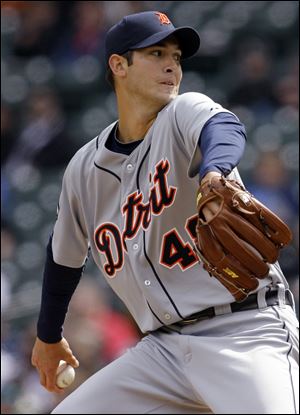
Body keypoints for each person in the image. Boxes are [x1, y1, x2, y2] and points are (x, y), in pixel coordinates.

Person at [31, 11, 299, 414]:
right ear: (119, 65)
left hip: (245, 332)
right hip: (161, 352)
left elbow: (224, 127)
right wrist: (48, 337)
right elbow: (63, 258)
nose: (172, 64)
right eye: (156, 53)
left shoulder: (183, 113)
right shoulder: (84, 169)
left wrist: (213, 172)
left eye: (176, 55)